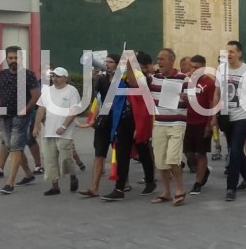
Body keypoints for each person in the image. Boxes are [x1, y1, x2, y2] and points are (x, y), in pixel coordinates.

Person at [0, 46, 41, 194]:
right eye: (11, 58)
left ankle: (10, 183)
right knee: (11, 145)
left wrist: (25, 110)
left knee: (15, 147)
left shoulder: (28, 75)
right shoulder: (2, 75)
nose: (13, 60)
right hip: (5, 116)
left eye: (16, 58)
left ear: (21, 58)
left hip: (21, 117)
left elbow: (36, 96)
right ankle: (28, 174)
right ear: (7, 59)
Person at [99, 53, 155, 202]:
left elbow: (133, 83)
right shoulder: (121, 76)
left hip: (138, 121)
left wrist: (129, 63)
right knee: (122, 155)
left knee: (143, 153)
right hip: (123, 120)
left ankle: (150, 181)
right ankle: (119, 188)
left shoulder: (142, 77)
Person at [213, 40, 246, 202]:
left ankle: (231, 188)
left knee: (235, 150)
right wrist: (213, 114)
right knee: (234, 147)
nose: (229, 54)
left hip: (242, 115)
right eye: (227, 51)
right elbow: (217, 93)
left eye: (232, 51)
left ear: (239, 53)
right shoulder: (221, 69)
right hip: (225, 115)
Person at [148, 48, 188, 207]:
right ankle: (166, 191)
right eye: (158, 59)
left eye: (162, 59)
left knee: (173, 157)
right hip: (159, 123)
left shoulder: (184, 78)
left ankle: (180, 188)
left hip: (177, 123)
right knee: (160, 160)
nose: (159, 62)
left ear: (171, 61)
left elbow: (194, 100)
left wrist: (187, 97)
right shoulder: (153, 78)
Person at [32, 67, 81, 195]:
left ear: (65, 77)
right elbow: (41, 109)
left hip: (64, 132)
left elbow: (73, 111)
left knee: (66, 158)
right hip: (48, 130)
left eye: (58, 76)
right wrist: (36, 126)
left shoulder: (72, 91)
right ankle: (55, 186)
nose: (55, 79)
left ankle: (73, 176)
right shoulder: (47, 91)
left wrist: (64, 126)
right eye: (53, 76)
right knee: (49, 159)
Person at [76, 53, 119, 197]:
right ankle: (94, 187)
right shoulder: (101, 80)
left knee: (120, 153)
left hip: (119, 120)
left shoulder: (122, 79)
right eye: (106, 62)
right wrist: (93, 119)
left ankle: (122, 184)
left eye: (111, 62)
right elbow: (98, 101)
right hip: (103, 121)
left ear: (117, 64)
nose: (107, 64)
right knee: (99, 154)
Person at [183, 55, 215, 195]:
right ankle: (204, 169)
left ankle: (197, 182)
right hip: (189, 121)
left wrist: (210, 124)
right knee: (188, 152)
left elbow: (212, 104)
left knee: (201, 153)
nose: (193, 70)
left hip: (202, 122)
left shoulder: (210, 83)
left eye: (197, 67)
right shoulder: (188, 81)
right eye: (192, 67)